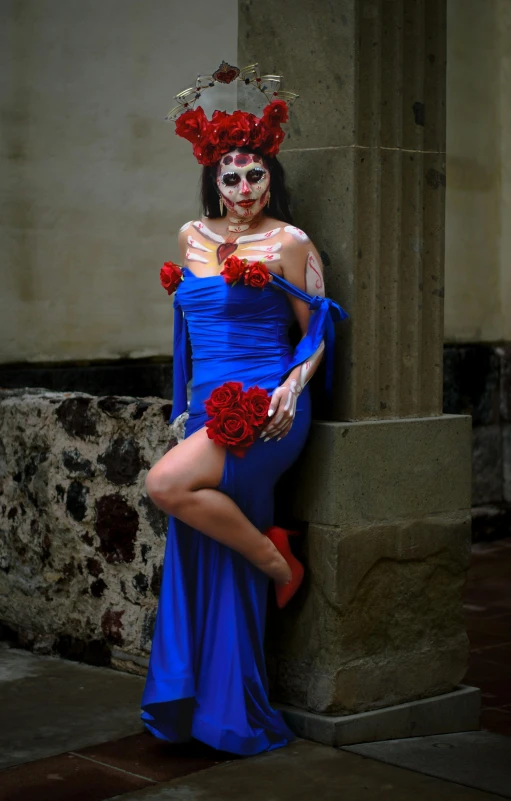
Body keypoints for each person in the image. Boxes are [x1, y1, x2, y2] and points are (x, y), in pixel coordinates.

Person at [141, 63, 348, 756]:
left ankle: (277, 562)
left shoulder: (289, 242)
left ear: (270, 176)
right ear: (213, 179)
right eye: (229, 176)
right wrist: (185, 405)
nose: (242, 189)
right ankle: (215, 711)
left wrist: (292, 387)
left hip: (266, 407)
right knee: (202, 534)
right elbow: (186, 331)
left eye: (254, 174)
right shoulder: (189, 238)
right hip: (206, 408)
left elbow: (318, 325)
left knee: (165, 484)